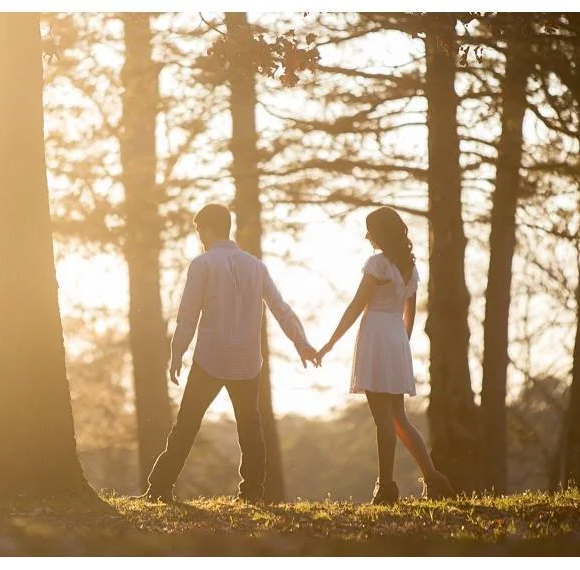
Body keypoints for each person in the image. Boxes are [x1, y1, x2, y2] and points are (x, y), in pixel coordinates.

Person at [133, 203, 317, 504]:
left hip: (211, 359)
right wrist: (302, 343)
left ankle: (160, 487)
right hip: (247, 360)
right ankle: (253, 492)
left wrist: (177, 353)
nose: (199, 237)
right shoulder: (256, 266)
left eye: (198, 231)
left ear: (207, 229)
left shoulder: (203, 264)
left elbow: (188, 315)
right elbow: (281, 308)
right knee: (250, 426)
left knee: (187, 424)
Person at [315, 206, 454, 504]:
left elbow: (355, 306)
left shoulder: (377, 264)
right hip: (395, 338)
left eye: (370, 231)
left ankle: (387, 487)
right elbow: (410, 314)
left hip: (376, 336)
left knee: (384, 420)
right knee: (399, 418)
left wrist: (330, 343)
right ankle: (434, 479)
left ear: (380, 233)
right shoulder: (410, 268)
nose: (367, 236)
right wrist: (400, 346)